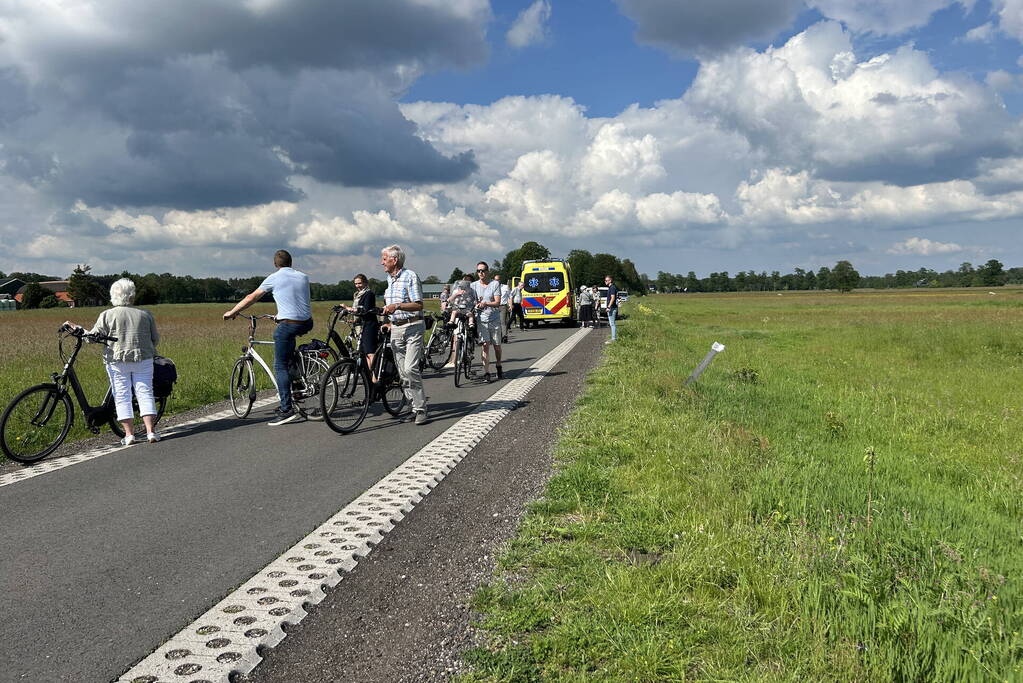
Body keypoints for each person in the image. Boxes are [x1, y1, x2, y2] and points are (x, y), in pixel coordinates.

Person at [65, 278, 161, 445]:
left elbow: (91, 338)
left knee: (122, 395)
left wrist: (76, 327)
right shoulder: (145, 314)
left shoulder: (107, 315)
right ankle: (151, 432)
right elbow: (155, 339)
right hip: (143, 358)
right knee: (145, 393)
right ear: (132, 295)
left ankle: (129, 435)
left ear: (113, 295)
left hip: (116, 360)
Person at [224, 249, 312, 425]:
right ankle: (295, 384)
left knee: (279, 365)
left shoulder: (274, 277)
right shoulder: (303, 276)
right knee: (287, 353)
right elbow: (294, 299)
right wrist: (278, 316)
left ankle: (286, 409)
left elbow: (252, 297)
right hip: (306, 322)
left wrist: (233, 312)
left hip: (288, 325)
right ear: (291, 262)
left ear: (275, 264)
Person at [380, 244, 429, 425]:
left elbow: (418, 304)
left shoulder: (410, 276)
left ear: (394, 260)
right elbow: (389, 304)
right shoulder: (389, 279)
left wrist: (398, 306)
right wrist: (387, 320)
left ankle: (422, 408)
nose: (382, 262)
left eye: (384, 259)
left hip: (412, 327)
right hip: (396, 328)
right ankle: (413, 406)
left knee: (410, 368)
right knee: (401, 372)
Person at [471, 261, 503, 382]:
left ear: (488, 272)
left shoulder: (494, 284)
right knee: (485, 346)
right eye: (479, 271)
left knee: (497, 346)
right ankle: (487, 372)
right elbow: (470, 299)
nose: (481, 273)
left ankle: (499, 364)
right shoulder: (473, 286)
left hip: (494, 319)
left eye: (483, 270)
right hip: (481, 320)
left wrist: (485, 303)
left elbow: (497, 302)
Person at [343, 273, 378, 373]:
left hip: (369, 324)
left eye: (360, 283)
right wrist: (354, 320)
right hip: (361, 324)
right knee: (365, 352)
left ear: (365, 283)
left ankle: (375, 374)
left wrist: (348, 308)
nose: (358, 285)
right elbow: (359, 312)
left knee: (370, 351)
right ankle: (370, 374)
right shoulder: (358, 294)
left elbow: (364, 310)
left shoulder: (368, 294)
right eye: (356, 284)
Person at [494, 273, 511, 343]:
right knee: (496, 323)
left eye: (498, 280)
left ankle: (504, 336)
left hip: (502, 306)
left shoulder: (505, 287)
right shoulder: (492, 288)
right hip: (494, 307)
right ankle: (498, 336)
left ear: (500, 280)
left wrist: (510, 305)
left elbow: (510, 296)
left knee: (502, 322)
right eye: (495, 280)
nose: (497, 281)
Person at [605, 274, 619, 343]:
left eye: (606, 280)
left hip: (612, 308)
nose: (605, 281)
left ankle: (613, 339)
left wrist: (608, 307)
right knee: (612, 323)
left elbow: (612, 298)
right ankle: (613, 338)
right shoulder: (610, 288)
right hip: (611, 308)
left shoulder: (612, 287)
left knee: (612, 324)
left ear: (610, 280)